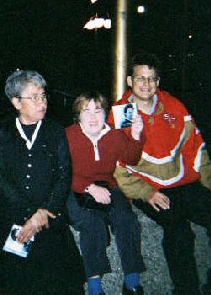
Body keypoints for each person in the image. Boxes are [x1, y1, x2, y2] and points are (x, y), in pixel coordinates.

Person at [108, 53, 211, 294]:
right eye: (140, 78)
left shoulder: (174, 106)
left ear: (158, 82)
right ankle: (186, 290)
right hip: (150, 189)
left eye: (151, 79)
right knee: (179, 231)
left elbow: (197, 151)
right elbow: (118, 167)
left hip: (182, 184)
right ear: (130, 81)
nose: (146, 84)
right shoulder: (123, 112)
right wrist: (146, 193)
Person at [0, 69, 85, 295]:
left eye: (43, 96)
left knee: (59, 277)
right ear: (16, 102)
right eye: (33, 97)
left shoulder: (54, 131)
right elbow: (0, 179)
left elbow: (64, 175)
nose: (41, 102)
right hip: (15, 217)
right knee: (16, 280)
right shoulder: (2, 132)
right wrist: (30, 215)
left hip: (50, 216)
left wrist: (43, 212)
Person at [65, 92, 145, 295]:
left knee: (127, 220)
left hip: (108, 185)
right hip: (76, 189)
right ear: (78, 115)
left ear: (105, 113)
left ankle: (132, 282)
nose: (93, 117)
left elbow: (131, 158)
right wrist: (89, 187)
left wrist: (136, 136)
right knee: (93, 224)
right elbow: (61, 173)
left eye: (98, 111)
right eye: (87, 111)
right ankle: (94, 287)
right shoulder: (67, 136)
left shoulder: (114, 134)